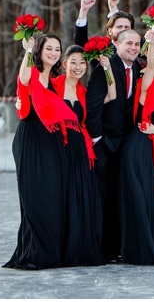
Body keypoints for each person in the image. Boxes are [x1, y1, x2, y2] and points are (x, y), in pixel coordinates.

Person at [5, 35, 72, 269]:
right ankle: (34, 252)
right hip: (31, 139)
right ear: (39, 51)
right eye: (48, 49)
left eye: (57, 49)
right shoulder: (32, 72)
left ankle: (51, 252)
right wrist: (27, 51)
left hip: (50, 141)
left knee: (52, 196)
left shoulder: (53, 81)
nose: (54, 53)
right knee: (35, 198)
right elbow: (23, 78)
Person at [118, 30, 154, 265]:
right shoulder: (147, 87)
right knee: (141, 197)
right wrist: (150, 44)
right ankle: (141, 250)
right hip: (138, 149)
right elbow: (150, 66)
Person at [85, 28, 142, 263]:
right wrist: (97, 138)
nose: (133, 48)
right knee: (101, 196)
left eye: (137, 44)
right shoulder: (104, 68)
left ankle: (114, 246)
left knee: (116, 197)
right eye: (128, 43)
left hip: (124, 143)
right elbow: (93, 105)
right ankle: (97, 248)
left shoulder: (137, 67)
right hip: (104, 143)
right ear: (117, 44)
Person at [51, 44, 107, 267]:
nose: (78, 66)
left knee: (79, 197)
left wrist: (106, 68)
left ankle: (80, 247)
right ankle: (62, 248)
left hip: (81, 149)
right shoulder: (54, 86)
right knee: (62, 196)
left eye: (82, 62)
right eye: (73, 62)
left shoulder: (84, 92)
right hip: (60, 146)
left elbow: (111, 95)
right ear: (64, 64)